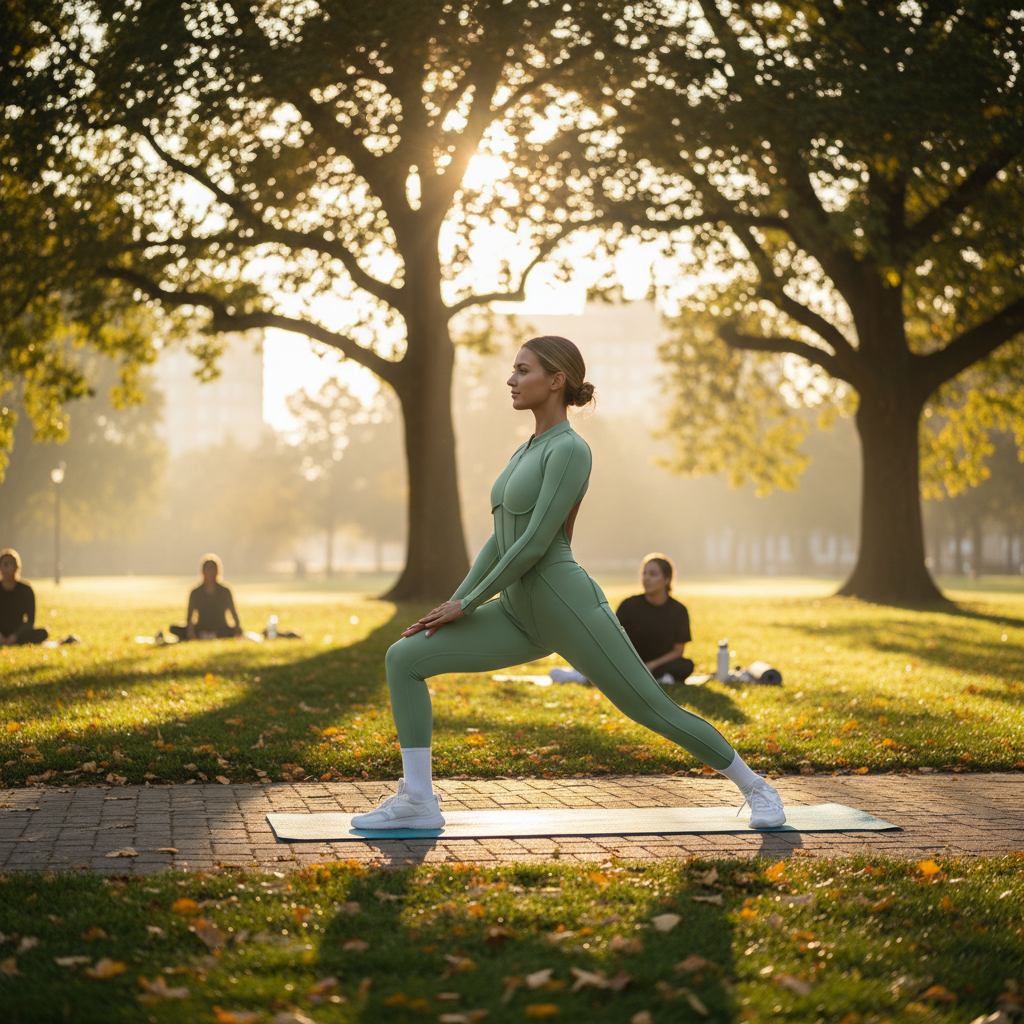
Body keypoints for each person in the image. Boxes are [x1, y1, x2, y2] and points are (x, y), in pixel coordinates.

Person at [352, 336, 786, 832]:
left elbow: (536, 542)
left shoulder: (571, 449)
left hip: (565, 603)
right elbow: (501, 541)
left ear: (556, 380)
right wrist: (460, 601)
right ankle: (418, 800)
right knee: (404, 657)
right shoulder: (525, 450)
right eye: (512, 370)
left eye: (523, 370)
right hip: (518, 610)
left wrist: (469, 600)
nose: (511, 380)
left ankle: (756, 787)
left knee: (651, 708)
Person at [616, 554, 695, 684]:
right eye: (644, 573)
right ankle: (653, 677)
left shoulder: (679, 610)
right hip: (631, 662)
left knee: (686, 665)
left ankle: (655, 676)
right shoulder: (628, 605)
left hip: (659, 664)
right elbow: (614, 640)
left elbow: (677, 651)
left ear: (667, 579)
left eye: (653, 574)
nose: (646, 578)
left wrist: (652, 665)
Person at [169, 555, 243, 640]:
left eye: (213, 569)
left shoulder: (225, 591)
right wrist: (190, 632)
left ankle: (212, 635)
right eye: (208, 569)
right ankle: (205, 635)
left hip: (221, 628)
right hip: (201, 628)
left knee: (233, 631)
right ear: (202, 571)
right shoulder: (195, 592)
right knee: (174, 628)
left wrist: (237, 627)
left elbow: (233, 612)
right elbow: (190, 616)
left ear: (218, 571)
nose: (210, 573)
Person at [0, 549, 48, 646]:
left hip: (18, 632)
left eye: (9, 564)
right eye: (4, 564)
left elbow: (30, 621)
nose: (6, 568)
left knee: (43, 633)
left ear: (17, 567)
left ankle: (13, 641)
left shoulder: (26, 590)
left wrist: (14, 636)